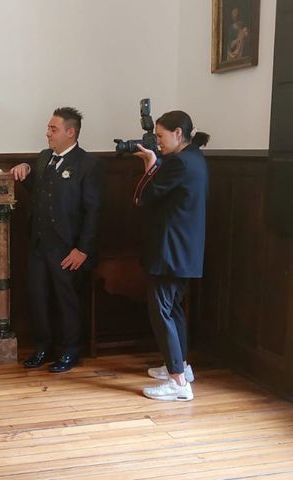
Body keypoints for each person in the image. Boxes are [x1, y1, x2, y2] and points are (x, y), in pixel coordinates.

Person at [11, 107, 104, 373]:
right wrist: (25, 168)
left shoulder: (88, 164)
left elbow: (94, 211)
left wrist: (83, 250)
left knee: (67, 301)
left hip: (68, 248)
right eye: (49, 128)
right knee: (38, 298)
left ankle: (69, 352)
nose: (48, 133)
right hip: (39, 245)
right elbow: (41, 190)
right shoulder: (43, 158)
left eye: (53, 129)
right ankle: (43, 348)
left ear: (70, 132)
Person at [133, 110, 210, 402]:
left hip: (170, 251)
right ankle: (180, 368)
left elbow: (144, 196)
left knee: (161, 310)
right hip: (184, 250)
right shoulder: (195, 158)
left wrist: (151, 165)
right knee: (174, 309)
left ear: (179, 133)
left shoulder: (178, 163)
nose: (157, 142)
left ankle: (178, 383)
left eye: (161, 136)